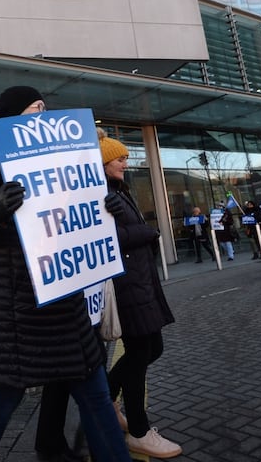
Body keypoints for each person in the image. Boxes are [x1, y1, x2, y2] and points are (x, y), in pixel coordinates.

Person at [0, 86, 131, 462]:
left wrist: (106, 210)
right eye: (35, 108)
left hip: (62, 299)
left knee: (95, 394)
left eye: (44, 108)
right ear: (11, 118)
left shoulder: (67, 161)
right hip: (12, 307)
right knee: (1, 401)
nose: (43, 114)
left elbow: (75, 223)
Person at [100, 129, 181, 458]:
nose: (125, 160)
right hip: (126, 284)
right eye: (118, 158)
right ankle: (139, 430)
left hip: (139, 281)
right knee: (139, 352)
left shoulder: (118, 189)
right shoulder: (103, 194)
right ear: (103, 163)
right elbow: (110, 236)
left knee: (150, 348)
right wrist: (147, 231)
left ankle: (106, 396)